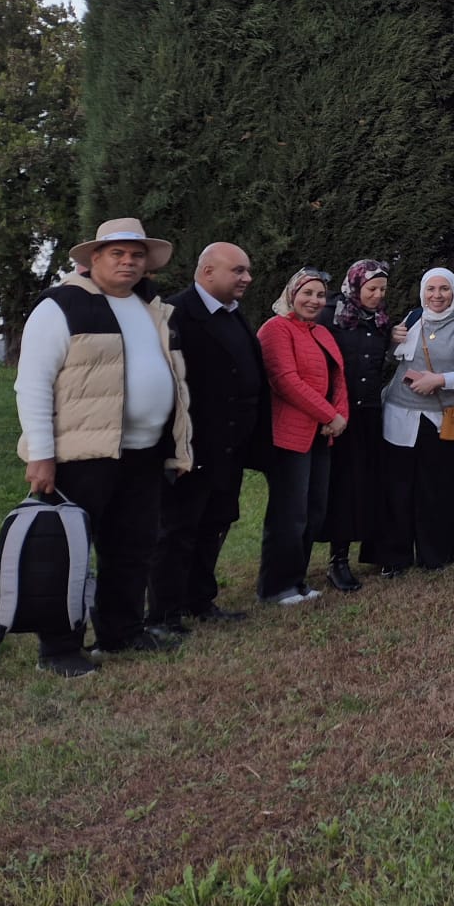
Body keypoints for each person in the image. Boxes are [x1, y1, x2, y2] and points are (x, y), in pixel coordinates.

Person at [14, 217, 193, 675]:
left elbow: (174, 378)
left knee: (132, 547)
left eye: (137, 255)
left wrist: (178, 445)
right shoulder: (61, 305)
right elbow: (32, 383)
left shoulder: (152, 307)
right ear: (94, 259)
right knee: (66, 552)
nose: (128, 262)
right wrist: (41, 453)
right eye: (118, 253)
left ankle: (121, 631)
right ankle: (58, 649)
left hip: (143, 452)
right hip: (80, 454)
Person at [151, 241, 265, 629]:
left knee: (213, 524)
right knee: (178, 531)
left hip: (228, 449)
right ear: (207, 271)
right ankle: (164, 613)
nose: (247, 278)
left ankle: (199, 599)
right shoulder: (175, 314)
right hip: (190, 448)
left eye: (247, 270)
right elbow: (165, 386)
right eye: (238, 270)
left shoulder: (233, 315)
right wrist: (172, 449)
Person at [378, 267, 454, 574]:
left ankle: (434, 556)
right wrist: (390, 340)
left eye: (444, 289)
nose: (437, 295)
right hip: (399, 414)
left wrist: (439, 380)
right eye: (431, 289)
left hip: (440, 418)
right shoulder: (411, 319)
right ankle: (395, 557)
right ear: (423, 291)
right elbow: (391, 360)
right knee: (397, 489)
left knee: (436, 489)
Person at [257, 267, 348, 606]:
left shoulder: (321, 332)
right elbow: (285, 380)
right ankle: (275, 586)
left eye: (320, 295)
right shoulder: (275, 329)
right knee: (289, 513)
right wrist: (329, 415)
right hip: (289, 436)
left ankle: (297, 580)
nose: (314, 300)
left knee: (313, 511)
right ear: (291, 294)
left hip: (321, 434)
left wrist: (339, 417)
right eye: (307, 293)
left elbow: (339, 378)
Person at [316, 259, 395, 590]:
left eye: (382, 290)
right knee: (339, 487)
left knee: (365, 484)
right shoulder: (330, 318)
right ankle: (337, 560)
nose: (377, 295)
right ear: (355, 286)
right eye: (371, 289)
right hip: (337, 415)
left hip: (369, 413)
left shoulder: (382, 322)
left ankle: (374, 551)